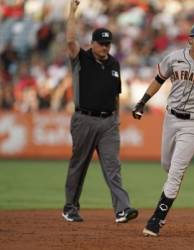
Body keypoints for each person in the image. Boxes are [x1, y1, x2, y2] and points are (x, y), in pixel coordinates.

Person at [132, 22, 194, 236]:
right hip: (171, 117)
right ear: (190, 39)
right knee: (167, 165)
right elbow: (159, 79)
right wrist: (142, 101)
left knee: (175, 173)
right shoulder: (175, 57)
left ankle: (157, 219)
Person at [62, 0, 138, 223]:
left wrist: (116, 118)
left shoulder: (114, 64)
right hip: (84, 119)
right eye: (101, 44)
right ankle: (70, 207)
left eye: (108, 44)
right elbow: (69, 40)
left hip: (108, 123)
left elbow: (116, 94)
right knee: (79, 165)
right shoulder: (81, 59)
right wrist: (72, 12)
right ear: (92, 44)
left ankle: (122, 209)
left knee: (113, 167)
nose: (105, 47)